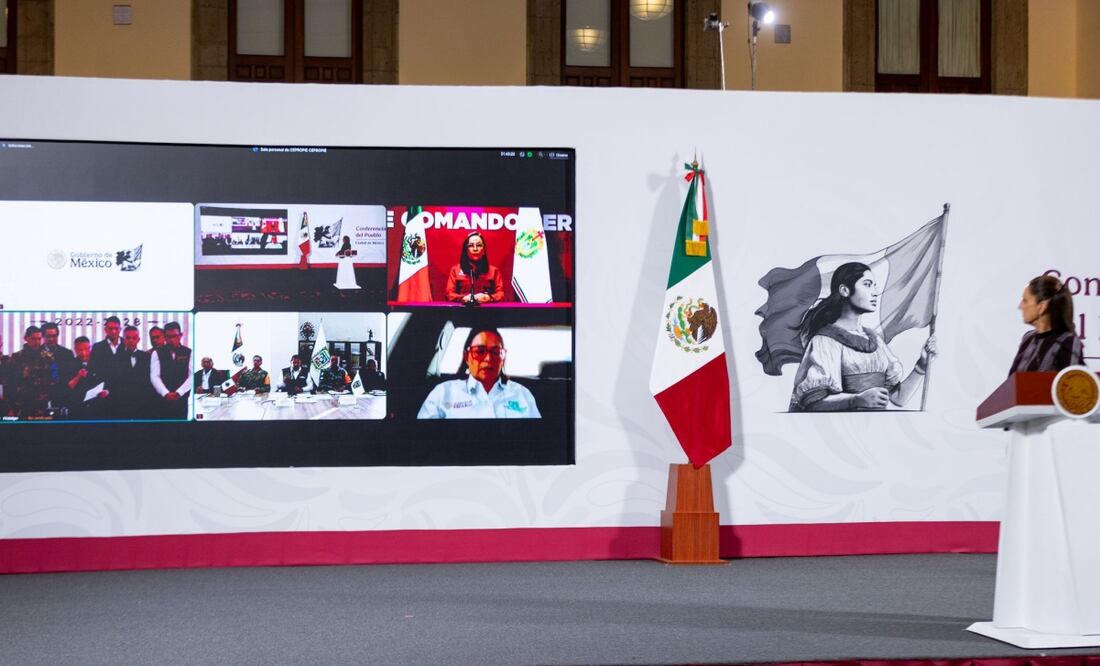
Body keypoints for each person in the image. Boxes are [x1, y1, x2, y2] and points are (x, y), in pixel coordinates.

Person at [789, 262, 936, 412]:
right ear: (845, 290)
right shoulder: (825, 341)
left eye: (874, 285)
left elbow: (898, 398)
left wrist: (922, 365)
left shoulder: (875, 340)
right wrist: (856, 400)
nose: (875, 292)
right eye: (867, 284)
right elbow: (813, 404)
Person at [418, 327, 540, 419]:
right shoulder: (443, 393)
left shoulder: (522, 394)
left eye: (496, 352)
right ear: (467, 357)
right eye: (480, 351)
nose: (488, 359)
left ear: (503, 358)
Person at [1008, 274, 1084, 374]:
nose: (1020, 306)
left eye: (1025, 300)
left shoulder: (1067, 342)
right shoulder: (1027, 339)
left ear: (1042, 306)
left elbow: (1069, 384)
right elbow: (1011, 383)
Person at [7, 326, 54, 418]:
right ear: (26, 338)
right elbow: (9, 385)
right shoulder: (16, 358)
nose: (37, 342)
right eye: (33, 339)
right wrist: (10, 408)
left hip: (41, 406)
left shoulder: (48, 358)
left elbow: (53, 381)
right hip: (20, 406)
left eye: (39, 339)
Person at [446, 232, 505, 304]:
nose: (475, 249)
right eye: (471, 245)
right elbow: (449, 294)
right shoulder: (455, 270)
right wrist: (464, 298)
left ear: (483, 251)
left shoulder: (494, 271)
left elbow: (501, 295)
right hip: (463, 311)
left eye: (479, 245)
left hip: (487, 312)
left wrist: (489, 297)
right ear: (466, 250)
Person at [150, 321, 192, 419]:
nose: (171, 339)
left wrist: (179, 392)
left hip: (181, 400)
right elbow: (154, 376)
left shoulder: (188, 352)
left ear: (180, 335)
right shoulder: (157, 353)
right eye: (168, 336)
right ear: (165, 336)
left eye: (174, 336)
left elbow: (191, 375)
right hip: (162, 400)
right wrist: (165, 393)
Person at [61, 336, 110, 420]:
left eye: (87, 349)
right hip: (77, 408)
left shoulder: (98, 363)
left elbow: (106, 382)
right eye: (80, 350)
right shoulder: (69, 364)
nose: (84, 353)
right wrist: (78, 376)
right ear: (75, 349)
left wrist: (106, 391)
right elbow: (69, 386)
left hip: (96, 407)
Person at [112, 325, 154, 419]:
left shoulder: (147, 357)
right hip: (122, 406)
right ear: (124, 339)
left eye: (134, 338)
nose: (131, 340)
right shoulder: (115, 358)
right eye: (128, 338)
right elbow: (113, 382)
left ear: (138, 339)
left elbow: (150, 382)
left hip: (143, 406)